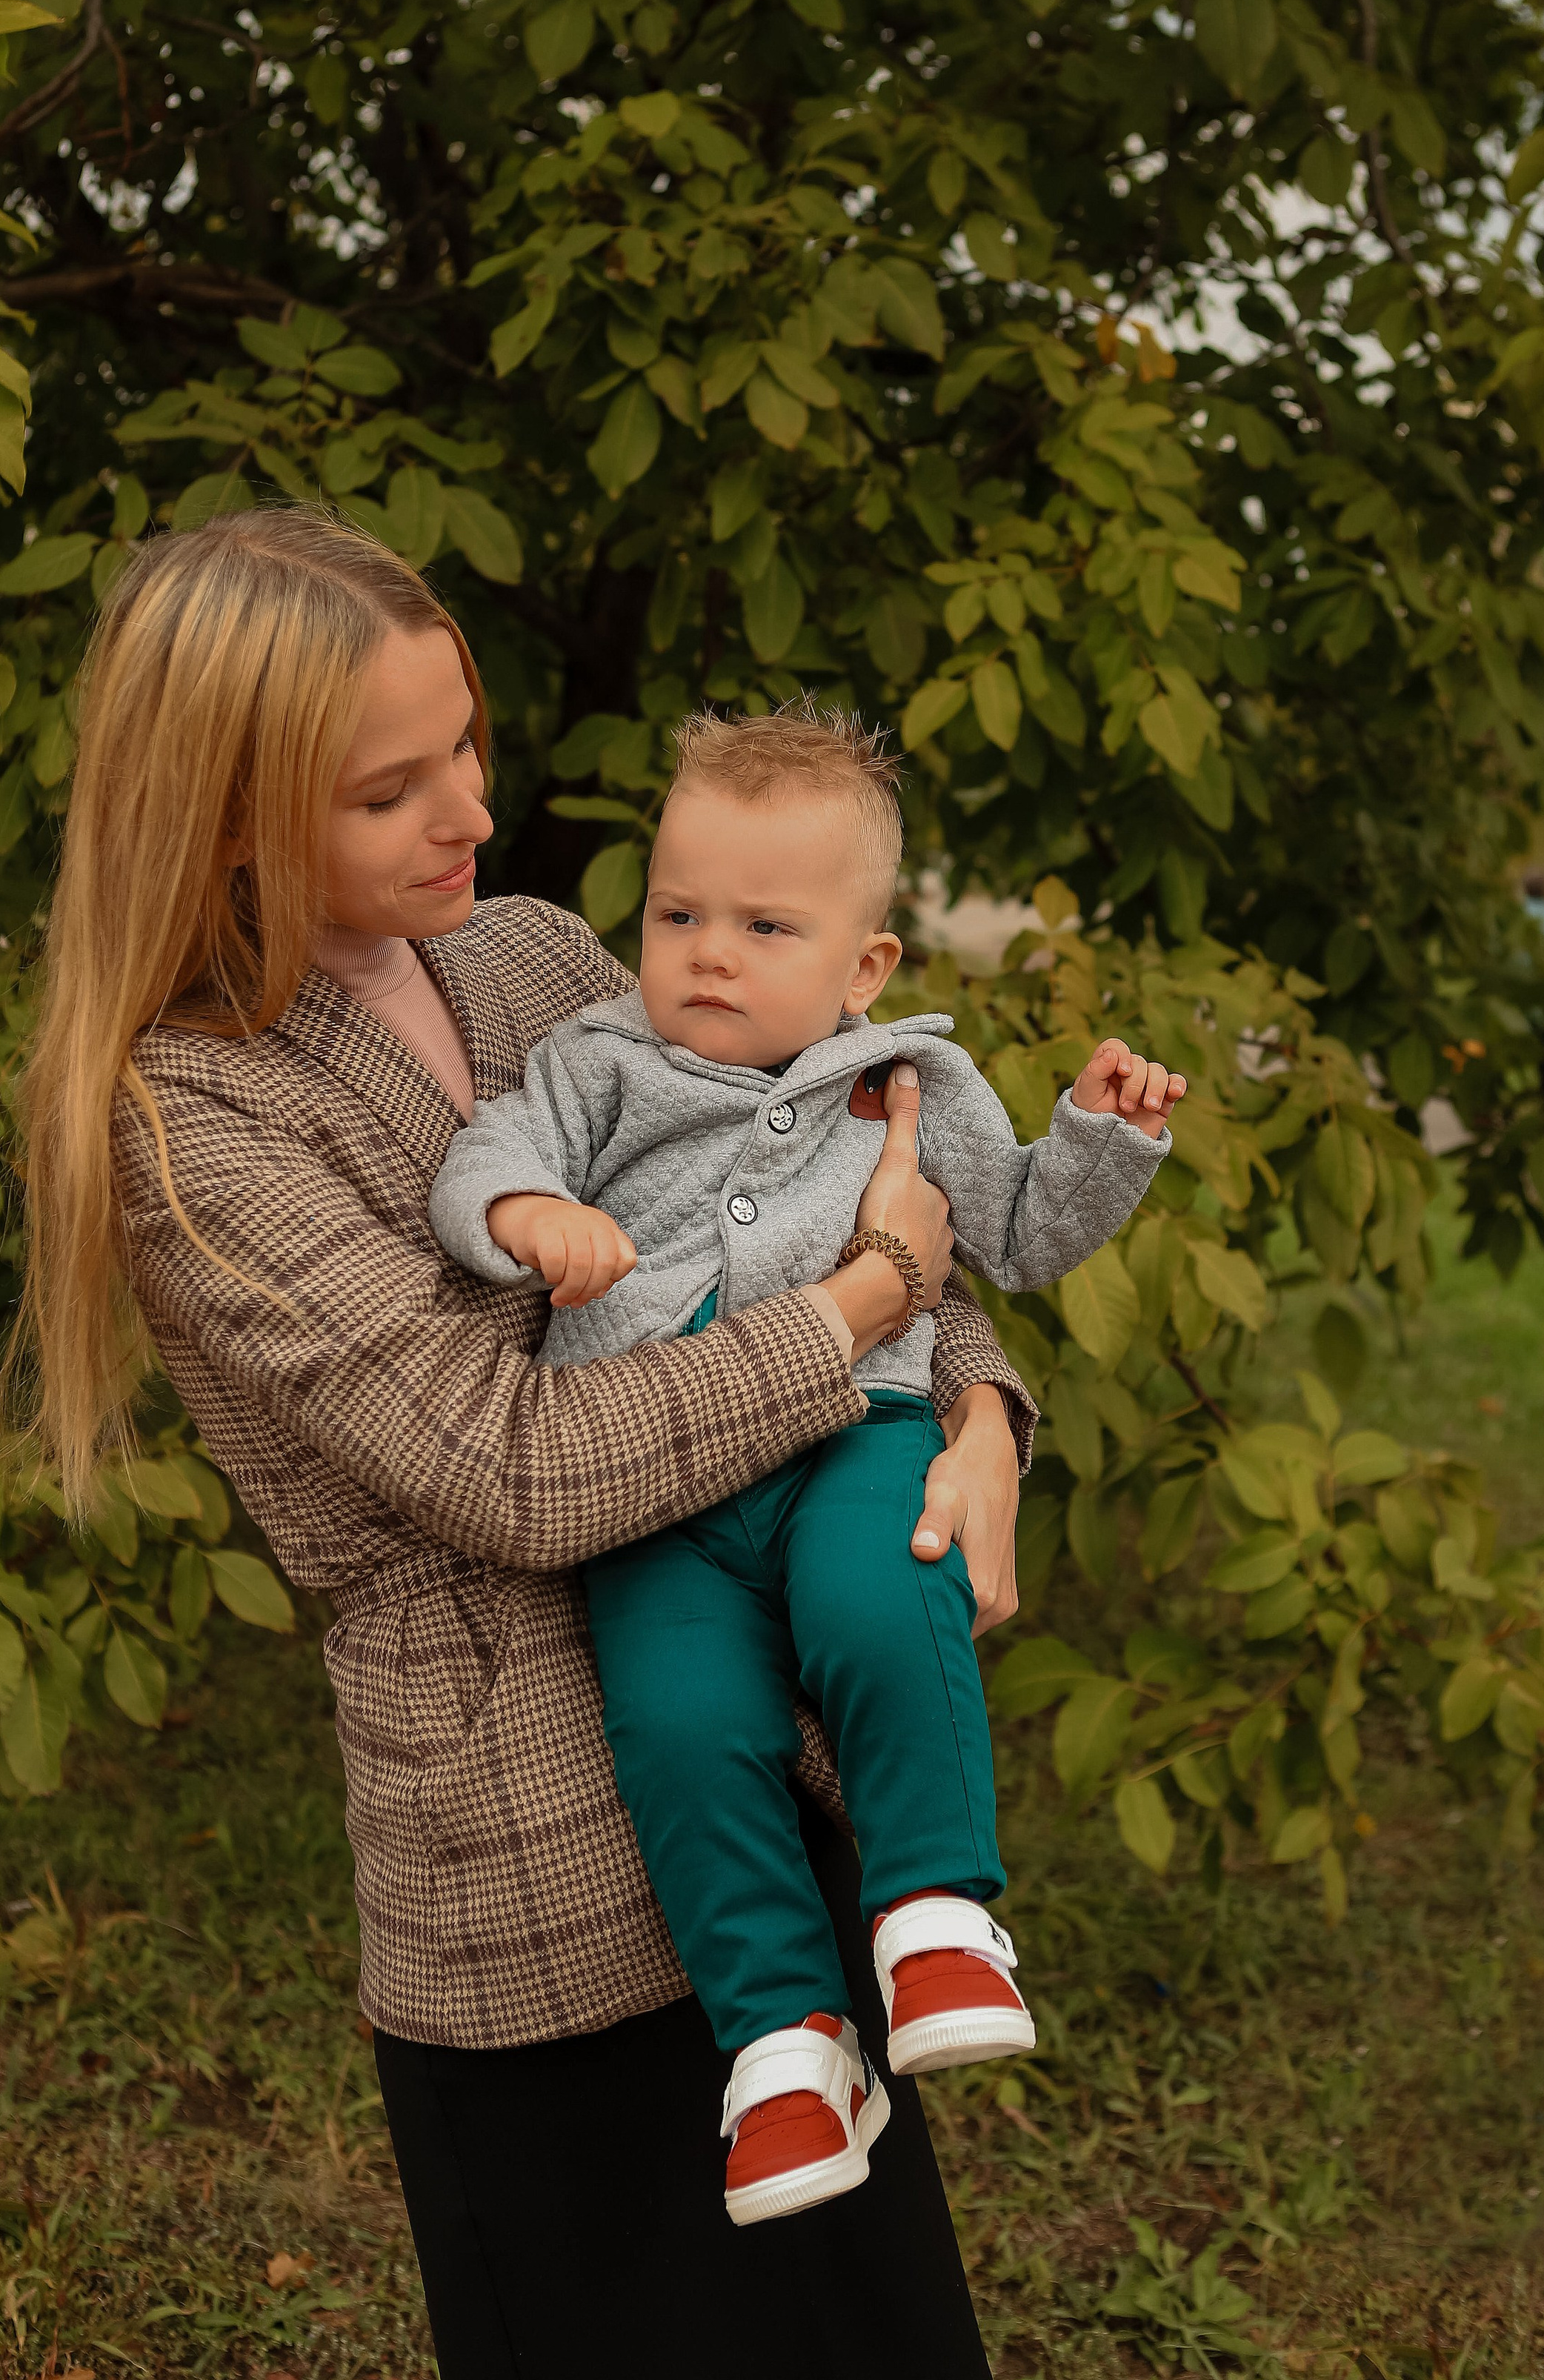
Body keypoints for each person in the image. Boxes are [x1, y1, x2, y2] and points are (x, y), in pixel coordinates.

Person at [11, 506, 1038, 2380]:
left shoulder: (544, 957)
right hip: (544, 1890)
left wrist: (978, 1401)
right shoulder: (197, 1120)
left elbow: (837, 1184)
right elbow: (515, 1469)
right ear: (223, 813)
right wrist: (873, 1303)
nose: (469, 809)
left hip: (771, 1782)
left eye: (466, 744)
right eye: (387, 787)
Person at [432, 702, 1183, 2227]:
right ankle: (785, 2038)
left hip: (849, 1429)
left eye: (764, 925)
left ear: (861, 968)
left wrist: (1095, 1139)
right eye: (677, 913)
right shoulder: (597, 1063)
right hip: (651, 1489)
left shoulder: (909, 1082)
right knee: (679, 1718)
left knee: (876, 1595)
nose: (709, 952)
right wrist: (525, 1220)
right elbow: (482, 1152)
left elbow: (1019, 1237)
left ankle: (931, 1908)